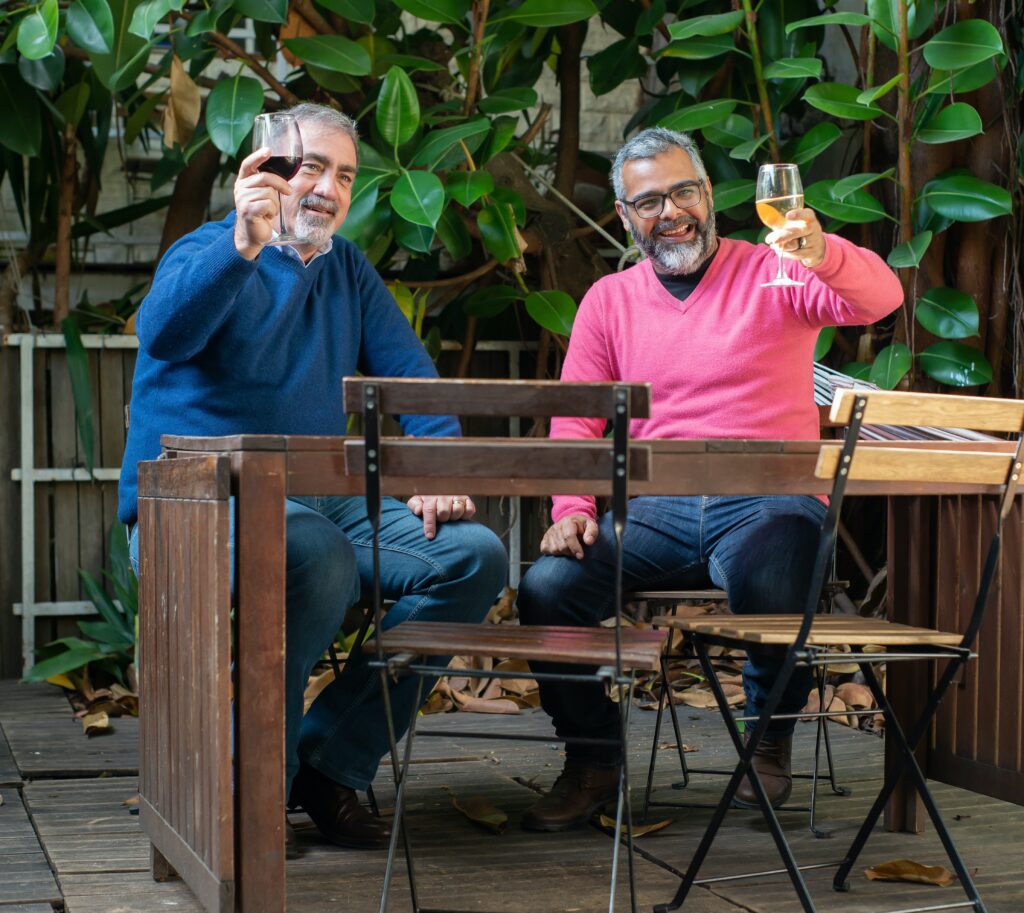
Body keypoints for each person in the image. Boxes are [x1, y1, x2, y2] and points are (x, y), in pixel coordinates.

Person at [119, 103, 508, 853]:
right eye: (312, 167)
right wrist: (242, 243)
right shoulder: (206, 251)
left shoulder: (346, 269)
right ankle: (247, 784)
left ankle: (329, 762)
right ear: (266, 170)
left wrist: (436, 465)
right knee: (311, 550)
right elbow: (164, 332)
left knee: (474, 557)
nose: (329, 187)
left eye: (346, 174)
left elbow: (414, 383)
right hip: (195, 505)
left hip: (323, 500)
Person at [517, 127, 903, 832]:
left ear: (710, 194)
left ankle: (768, 737)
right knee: (547, 587)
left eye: (684, 190)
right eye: (649, 200)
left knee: (787, 545)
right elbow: (578, 420)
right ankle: (594, 754)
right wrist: (572, 505)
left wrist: (821, 250)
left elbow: (878, 299)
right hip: (652, 513)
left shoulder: (776, 271)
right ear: (625, 217)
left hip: (766, 504)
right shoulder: (608, 299)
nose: (671, 211)